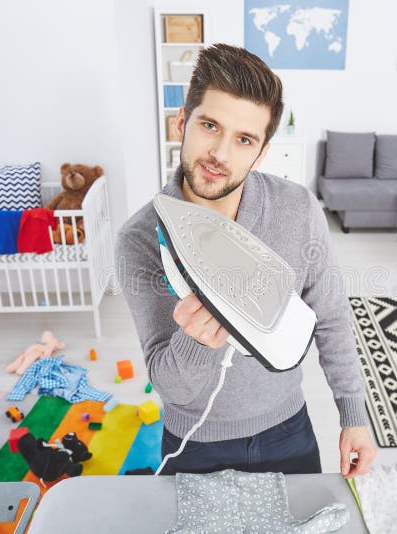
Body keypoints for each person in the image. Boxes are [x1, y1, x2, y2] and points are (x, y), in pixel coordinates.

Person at [117, 43, 376, 477]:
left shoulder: (297, 209)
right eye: (209, 126)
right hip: (194, 445)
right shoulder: (141, 240)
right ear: (182, 122)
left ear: (261, 152)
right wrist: (195, 340)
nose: (220, 154)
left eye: (243, 139)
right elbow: (171, 386)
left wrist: (354, 415)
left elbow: (330, 317)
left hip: (289, 429)